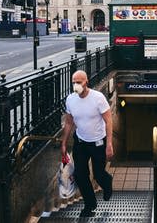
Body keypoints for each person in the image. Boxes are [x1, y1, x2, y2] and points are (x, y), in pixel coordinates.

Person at [61, 70, 113, 217]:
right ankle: (90, 205)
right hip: (80, 142)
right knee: (80, 175)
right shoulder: (70, 99)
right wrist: (64, 143)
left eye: (79, 82)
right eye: (74, 82)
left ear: (86, 82)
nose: (76, 85)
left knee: (98, 174)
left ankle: (107, 182)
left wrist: (109, 144)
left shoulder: (98, 98)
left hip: (98, 143)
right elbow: (69, 121)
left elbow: (108, 121)